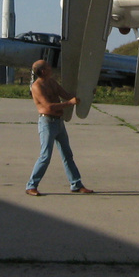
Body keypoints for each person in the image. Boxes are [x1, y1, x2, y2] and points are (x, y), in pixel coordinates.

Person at [25, 59, 93, 196]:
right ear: (43, 71)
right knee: (45, 156)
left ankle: (76, 184)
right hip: (47, 123)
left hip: (58, 123)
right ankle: (31, 185)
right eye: (48, 66)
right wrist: (69, 103)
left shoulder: (51, 82)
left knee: (67, 154)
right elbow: (48, 106)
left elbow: (66, 95)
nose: (51, 67)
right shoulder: (37, 87)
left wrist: (87, 94)